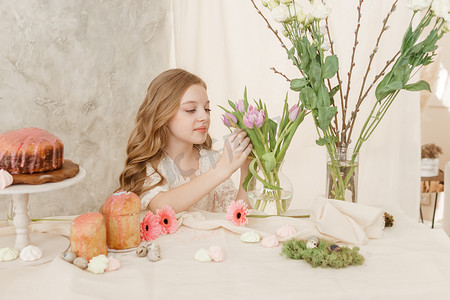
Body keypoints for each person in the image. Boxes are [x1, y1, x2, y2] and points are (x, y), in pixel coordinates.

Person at [119, 69, 252, 213]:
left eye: (207, 109)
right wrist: (222, 169)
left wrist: (248, 172)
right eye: (190, 110)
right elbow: (162, 207)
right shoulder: (151, 166)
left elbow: (237, 215)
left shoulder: (212, 160)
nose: (204, 117)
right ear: (163, 115)